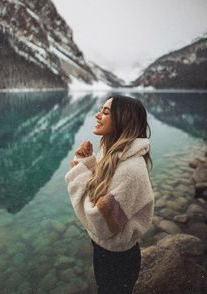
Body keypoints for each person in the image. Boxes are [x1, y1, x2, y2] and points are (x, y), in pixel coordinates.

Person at [65, 95, 155, 293]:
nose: (97, 115)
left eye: (106, 112)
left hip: (118, 260)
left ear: (123, 119)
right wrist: (87, 162)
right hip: (106, 251)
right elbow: (100, 187)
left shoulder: (130, 170)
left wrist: (78, 174)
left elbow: (102, 223)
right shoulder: (113, 154)